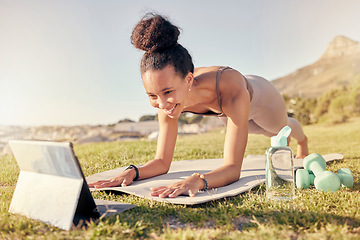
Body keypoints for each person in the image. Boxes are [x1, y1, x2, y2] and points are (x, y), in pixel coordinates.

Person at [88, 13, 308, 198]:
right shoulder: (168, 103)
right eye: (152, 95)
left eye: (167, 92)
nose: (162, 104)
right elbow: (162, 162)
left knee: (278, 130)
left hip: (261, 97)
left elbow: (233, 169)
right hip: (222, 109)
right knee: (251, 128)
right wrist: (133, 172)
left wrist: (199, 180)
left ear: (189, 80)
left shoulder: (232, 92)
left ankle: (304, 141)